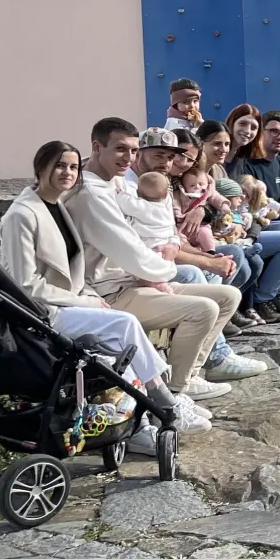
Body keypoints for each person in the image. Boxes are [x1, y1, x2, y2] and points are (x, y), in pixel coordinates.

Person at [1, 141, 212, 445]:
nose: (68, 172)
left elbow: (73, 270)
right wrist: (85, 300)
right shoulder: (22, 214)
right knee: (124, 325)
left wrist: (87, 296)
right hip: (44, 312)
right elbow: (25, 284)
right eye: (59, 165)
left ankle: (138, 422)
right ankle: (166, 402)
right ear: (39, 168)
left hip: (69, 302)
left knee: (119, 348)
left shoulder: (56, 204)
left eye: (73, 166)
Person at [64, 118, 243, 402]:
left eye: (133, 150)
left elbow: (159, 228)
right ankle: (176, 393)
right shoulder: (91, 194)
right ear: (97, 148)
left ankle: (188, 376)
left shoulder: (117, 183)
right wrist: (168, 264)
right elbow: (131, 250)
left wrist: (170, 247)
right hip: (108, 291)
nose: (129, 158)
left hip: (132, 281)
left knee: (227, 296)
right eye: (121, 149)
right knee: (203, 309)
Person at [226, 112, 280, 321]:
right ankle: (262, 298)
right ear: (261, 133)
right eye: (273, 131)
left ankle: (274, 294)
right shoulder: (247, 162)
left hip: (270, 219)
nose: (279, 136)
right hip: (250, 223)